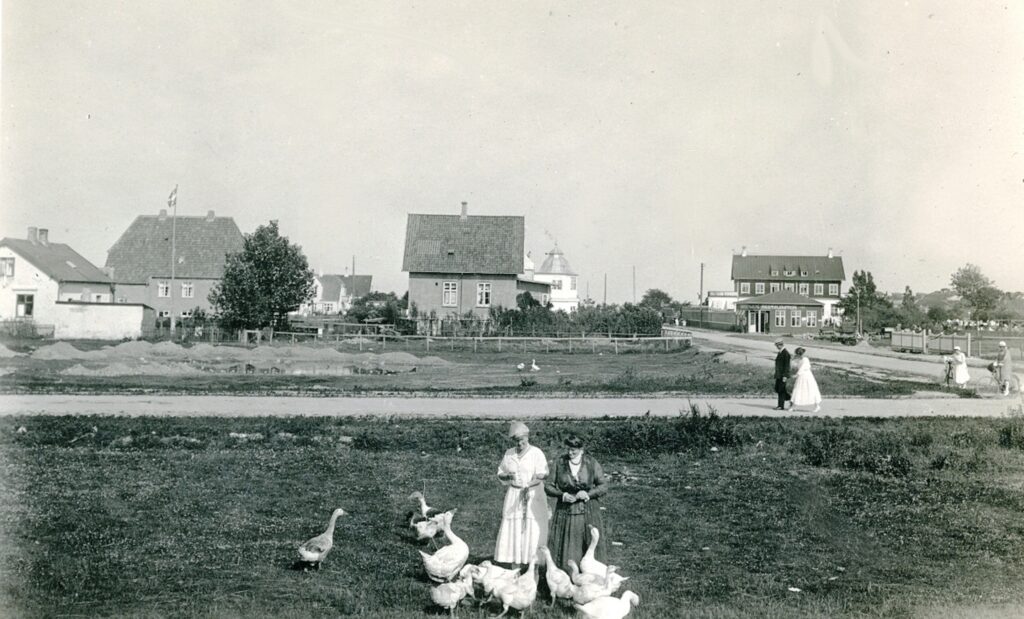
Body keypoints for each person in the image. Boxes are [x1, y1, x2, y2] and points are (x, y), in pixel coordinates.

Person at [544, 434, 609, 574]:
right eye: (568, 449)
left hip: (589, 509)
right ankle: (566, 577)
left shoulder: (591, 463)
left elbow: (603, 486)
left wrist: (588, 494)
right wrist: (562, 495)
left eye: (574, 449)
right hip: (565, 510)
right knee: (568, 543)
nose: (570, 452)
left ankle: (593, 579)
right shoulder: (559, 463)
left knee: (588, 540)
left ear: (582, 449)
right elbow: (548, 486)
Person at [494, 421, 549, 568]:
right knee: (515, 529)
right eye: (516, 441)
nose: (519, 444)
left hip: (533, 495)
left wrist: (529, 484)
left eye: (522, 440)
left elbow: (543, 474)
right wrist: (508, 477)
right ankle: (515, 567)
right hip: (514, 495)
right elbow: (501, 473)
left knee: (532, 529)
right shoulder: (509, 454)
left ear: (527, 438)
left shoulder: (536, 453)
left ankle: (534, 568)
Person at [789, 347, 822, 412]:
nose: (797, 355)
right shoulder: (800, 360)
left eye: (797, 354)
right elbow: (795, 366)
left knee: (810, 390)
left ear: (799, 354)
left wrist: (797, 374)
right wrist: (792, 360)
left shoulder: (805, 359)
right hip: (802, 376)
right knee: (797, 390)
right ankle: (793, 406)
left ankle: (817, 406)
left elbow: (803, 368)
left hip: (807, 376)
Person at [773, 338, 792, 410]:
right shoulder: (780, 352)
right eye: (776, 345)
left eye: (777, 345)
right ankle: (791, 399)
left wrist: (785, 376)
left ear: (780, 345)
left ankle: (780, 406)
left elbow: (787, 366)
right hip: (778, 374)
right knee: (778, 389)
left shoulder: (785, 353)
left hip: (782, 375)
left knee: (781, 390)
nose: (776, 347)